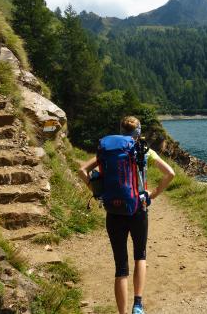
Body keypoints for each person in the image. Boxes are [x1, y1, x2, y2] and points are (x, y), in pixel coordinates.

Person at [79, 116, 175, 314]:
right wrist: (154, 193)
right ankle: (137, 304)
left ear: (120, 131)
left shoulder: (107, 150)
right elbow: (170, 173)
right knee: (140, 256)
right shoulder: (144, 150)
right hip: (138, 209)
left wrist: (97, 191)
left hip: (113, 212)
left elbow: (82, 170)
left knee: (120, 266)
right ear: (138, 132)